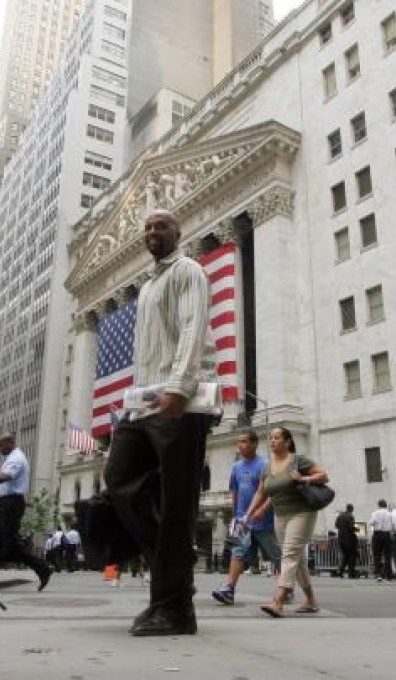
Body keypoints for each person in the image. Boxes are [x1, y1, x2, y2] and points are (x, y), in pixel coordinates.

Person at [103, 209, 216, 637]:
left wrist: (181, 385)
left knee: (177, 504)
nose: (152, 231)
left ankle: (174, 609)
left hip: (179, 402)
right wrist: (134, 401)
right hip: (144, 401)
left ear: (177, 233)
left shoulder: (188, 271)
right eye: (147, 227)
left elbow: (193, 326)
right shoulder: (149, 283)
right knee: (119, 479)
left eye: (160, 226)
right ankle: (174, 557)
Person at [243, 427, 329, 618]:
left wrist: (304, 478)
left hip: (302, 513)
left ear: (287, 442)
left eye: (277, 437)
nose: (272, 441)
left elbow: (323, 475)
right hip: (280, 515)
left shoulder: (298, 460)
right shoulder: (268, 466)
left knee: (289, 554)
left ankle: (278, 601)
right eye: (271, 438)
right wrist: (249, 514)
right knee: (296, 559)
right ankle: (311, 601)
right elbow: (261, 492)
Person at [0, 433, 52, 591]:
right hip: (3, 504)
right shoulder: (11, 458)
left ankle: (43, 568)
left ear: (10, 442)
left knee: (11, 546)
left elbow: (5, 477)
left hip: (11, 504)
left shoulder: (16, 459)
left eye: (1, 445)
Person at [212, 430, 281, 605]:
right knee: (237, 554)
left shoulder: (265, 465)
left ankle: (284, 589)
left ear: (254, 444)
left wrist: (263, 510)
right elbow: (235, 493)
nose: (240, 446)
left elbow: (274, 493)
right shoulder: (236, 467)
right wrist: (235, 517)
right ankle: (229, 589)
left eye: (243, 442)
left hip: (263, 521)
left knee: (276, 557)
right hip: (242, 521)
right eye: (239, 442)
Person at [369, 499, 393, 581]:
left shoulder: (375, 513)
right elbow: (392, 525)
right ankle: (388, 575)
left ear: (378, 505)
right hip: (387, 534)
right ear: (385, 505)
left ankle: (378, 574)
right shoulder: (390, 514)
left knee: (377, 555)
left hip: (377, 534)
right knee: (387, 555)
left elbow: (371, 523)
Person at [335, 504, 359, 579]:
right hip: (349, 539)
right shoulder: (350, 516)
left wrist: (342, 529)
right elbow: (351, 527)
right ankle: (351, 574)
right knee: (352, 556)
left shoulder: (340, 516)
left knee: (345, 556)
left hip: (341, 539)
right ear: (351, 509)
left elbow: (336, 525)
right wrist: (357, 529)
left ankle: (341, 572)